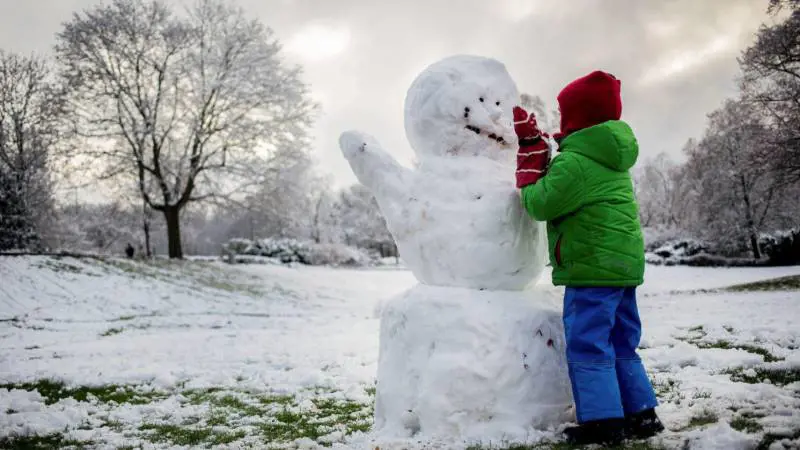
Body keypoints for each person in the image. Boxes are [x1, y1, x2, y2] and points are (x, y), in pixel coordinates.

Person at [513, 71, 664, 445]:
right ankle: (642, 415)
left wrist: (531, 168)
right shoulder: (612, 156)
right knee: (621, 341)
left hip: (591, 270)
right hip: (623, 269)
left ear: (575, 118)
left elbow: (540, 203)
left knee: (588, 343)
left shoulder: (576, 162)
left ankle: (602, 421)